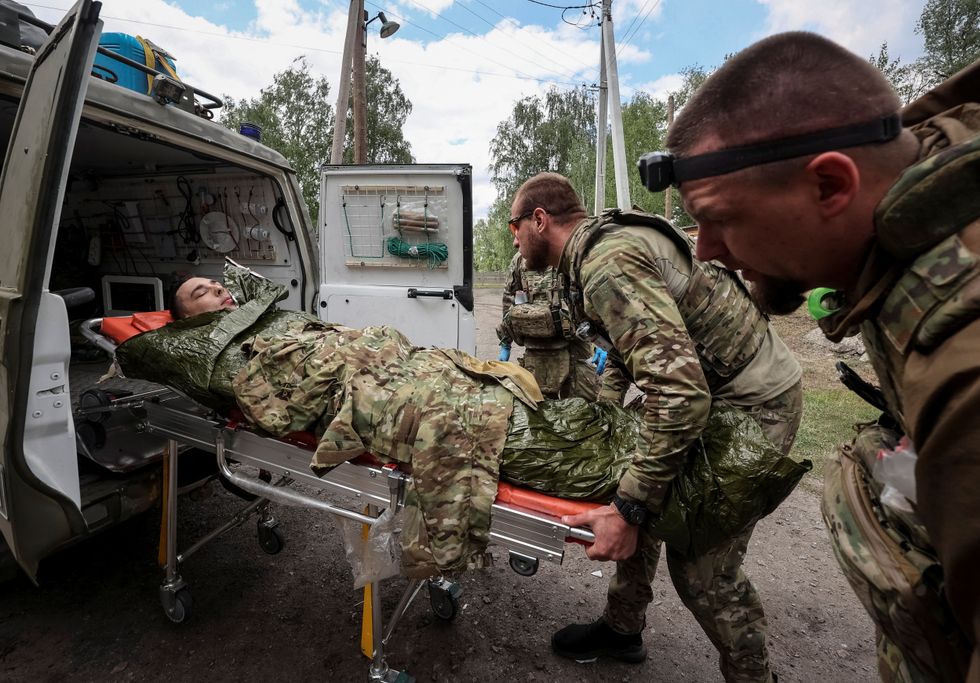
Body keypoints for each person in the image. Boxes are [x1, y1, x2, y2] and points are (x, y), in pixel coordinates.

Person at [121, 262, 806, 588]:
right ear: (186, 319)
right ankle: (708, 476)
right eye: (198, 294)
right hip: (374, 394)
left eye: (215, 285)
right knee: (536, 437)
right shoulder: (216, 348)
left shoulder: (272, 315)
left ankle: (696, 459)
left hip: (404, 370)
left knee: (554, 412)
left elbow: (341, 339)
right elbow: (277, 399)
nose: (215, 292)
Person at [658, 31, 980, 681]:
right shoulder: (922, 224)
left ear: (831, 184)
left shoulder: (964, 365)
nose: (707, 251)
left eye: (719, 217)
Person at [508, 172, 804, 682]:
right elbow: (633, 345)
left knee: (701, 568)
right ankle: (622, 629)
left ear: (539, 219)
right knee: (637, 490)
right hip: (706, 389)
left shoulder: (606, 261)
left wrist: (627, 508)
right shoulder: (592, 255)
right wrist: (605, 412)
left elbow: (681, 395)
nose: (513, 237)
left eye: (514, 225)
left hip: (756, 403)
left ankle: (753, 676)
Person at [496, 252, 599, 400]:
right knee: (539, 407)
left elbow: (593, 296)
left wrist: (601, 340)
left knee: (584, 406)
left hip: (574, 346)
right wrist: (505, 342)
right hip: (536, 350)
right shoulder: (520, 259)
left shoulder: (569, 253)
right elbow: (509, 300)